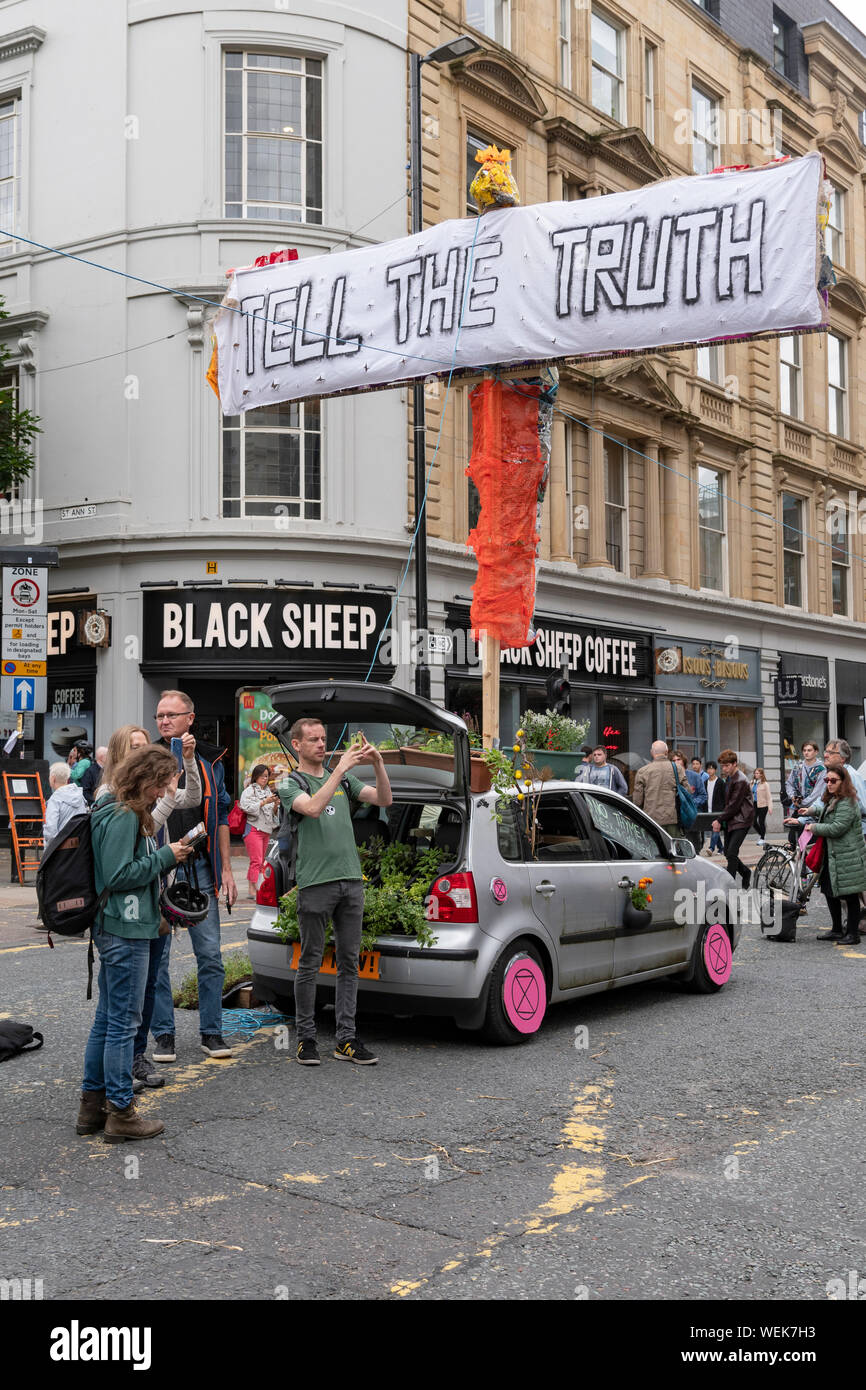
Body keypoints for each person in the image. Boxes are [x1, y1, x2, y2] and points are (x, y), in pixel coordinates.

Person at [76, 745, 194, 1143]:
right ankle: (121, 1113)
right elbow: (118, 874)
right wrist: (166, 856)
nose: (162, 793)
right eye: (160, 784)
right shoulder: (124, 814)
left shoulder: (114, 807)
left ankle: (91, 1107)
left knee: (108, 1020)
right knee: (124, 1025)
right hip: (125, 929)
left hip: (115, 926)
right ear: (144, 779)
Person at [281, 718, 393, 1067]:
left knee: (349, 962)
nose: (321, 744)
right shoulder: (290, 782)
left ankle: (346, 1039)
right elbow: (313, 808)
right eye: (313, 739)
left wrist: (377, 763)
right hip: (315, 882)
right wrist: (340, 768)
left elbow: (385, 799)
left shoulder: (343, 778)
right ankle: (306, 1039)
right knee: (310, 961)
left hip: (351, 880)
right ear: (296, 744)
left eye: (323, 738)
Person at [149, 691, 237, 1063]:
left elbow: (218, 817)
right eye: (159, 716)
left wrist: (228, 869)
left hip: (199, 865)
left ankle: (211, 1032)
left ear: (190, 719)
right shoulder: (150, 758)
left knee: (211, 955)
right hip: (160, 866)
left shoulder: (209, 760)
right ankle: (164, 1035)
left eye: (171, 715)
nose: (164, 721)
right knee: (158, 957)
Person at [786, 765, 865, 944]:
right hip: (833, 855)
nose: (829, 784)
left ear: (843, 782)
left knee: (850, 895)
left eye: (833, 781)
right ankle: (837, 929)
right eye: (826, 780)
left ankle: (853, 934)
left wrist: (813, 827)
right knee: (829, 892)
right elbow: (828, 813)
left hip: (848, 857)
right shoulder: (835, 799)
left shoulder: (849, 802)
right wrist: (811, 811)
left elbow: (837, 827)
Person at [711, 749, 755, 888]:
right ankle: (746, 872)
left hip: (742, 819)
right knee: (729, 853)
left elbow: (734, 805)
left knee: (731, 852)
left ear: (734, 764)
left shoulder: (740, 779)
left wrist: (719, 819)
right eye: (722, 766)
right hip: (732, 819)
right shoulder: (731, 777)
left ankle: (729, 885)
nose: (724, 769)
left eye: (726, 765)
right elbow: (729, 804)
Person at [239, 764, 282, 898]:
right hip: (253, 828)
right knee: (256, 861)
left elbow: (273, 814)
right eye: (262, 776)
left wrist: (275, 805)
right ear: (256, 776)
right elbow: (245, 807)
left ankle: (256, 886)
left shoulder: (268, 791)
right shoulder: (249, 790)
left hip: (266, 830)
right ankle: (252, 890)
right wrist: (264, 802)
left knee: (260, 860)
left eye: (266, 776)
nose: (265, 778)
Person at [632, 740, 687, 837]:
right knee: (674, 849)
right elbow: (688, 792)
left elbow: (637, 801)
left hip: (651, 818)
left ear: (652, 753)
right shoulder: (677, 769)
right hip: (673, 818)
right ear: (667, 752)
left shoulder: (643, 771)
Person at [785, 741, 824, 848]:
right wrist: (792, 796)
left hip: (812, 810)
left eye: (809, 750)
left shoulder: (821, 769)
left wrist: (802, 803)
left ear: (816, 752)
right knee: (792, 839)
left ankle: (806, 863)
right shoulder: (798, 766)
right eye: (804, 750)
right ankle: (798, 863)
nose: (806, 753)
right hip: (798, 807)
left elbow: (817, 793)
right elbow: (789, 783)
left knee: (809, 842)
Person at [43, 762, 87, 844]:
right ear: (67, 779)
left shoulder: (55, 799)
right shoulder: (80, 797)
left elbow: (51, 830)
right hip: (78, 846)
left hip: (60, 848)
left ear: (53, 778)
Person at [673, 749, 706, 851]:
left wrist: (690, 804)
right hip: (674, 818)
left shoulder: (694, 776)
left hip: (690, 817)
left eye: (678, 759)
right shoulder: (669, 776)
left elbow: (703, 795)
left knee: (695, 848)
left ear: (683, 761)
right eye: (673, 760)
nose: (676, 762)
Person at [704, 761, 725, 855]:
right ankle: (721, 848)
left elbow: (724, 796)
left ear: (715, 770)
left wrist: (723, 810)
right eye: (708, 768)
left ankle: (711, 848)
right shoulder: (705, 782)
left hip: (718, 811)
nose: (710, 770)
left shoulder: (720, 782)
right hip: (708, 810)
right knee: (714, 829)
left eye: (712, 768)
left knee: (715, 829)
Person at [751, 767, 773, 841]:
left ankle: (762, 838)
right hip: (755, 804)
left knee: (761, 821)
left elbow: (769, 797)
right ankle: (761, 834)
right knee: (753, 822)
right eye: (755, 773)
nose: (755, 774)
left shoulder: (765, 784)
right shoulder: (752, 783)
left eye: (757, 773)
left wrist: (770, 808)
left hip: (763, 805)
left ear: (761, 775)